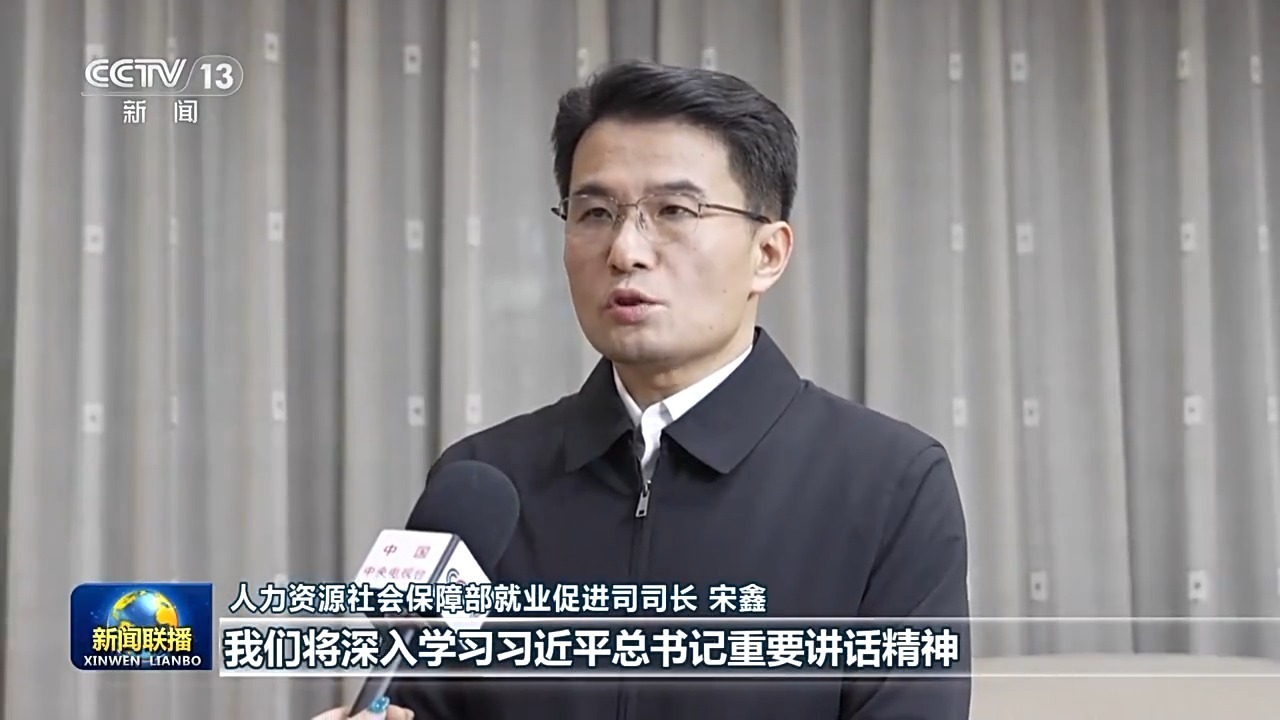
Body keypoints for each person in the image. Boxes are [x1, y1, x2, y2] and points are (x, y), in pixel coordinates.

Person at [315, 59, 970, 720]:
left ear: (767, 254)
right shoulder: (482, 483)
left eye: (674, 210)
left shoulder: (890, 484)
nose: (625, 249)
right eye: (595, 212)